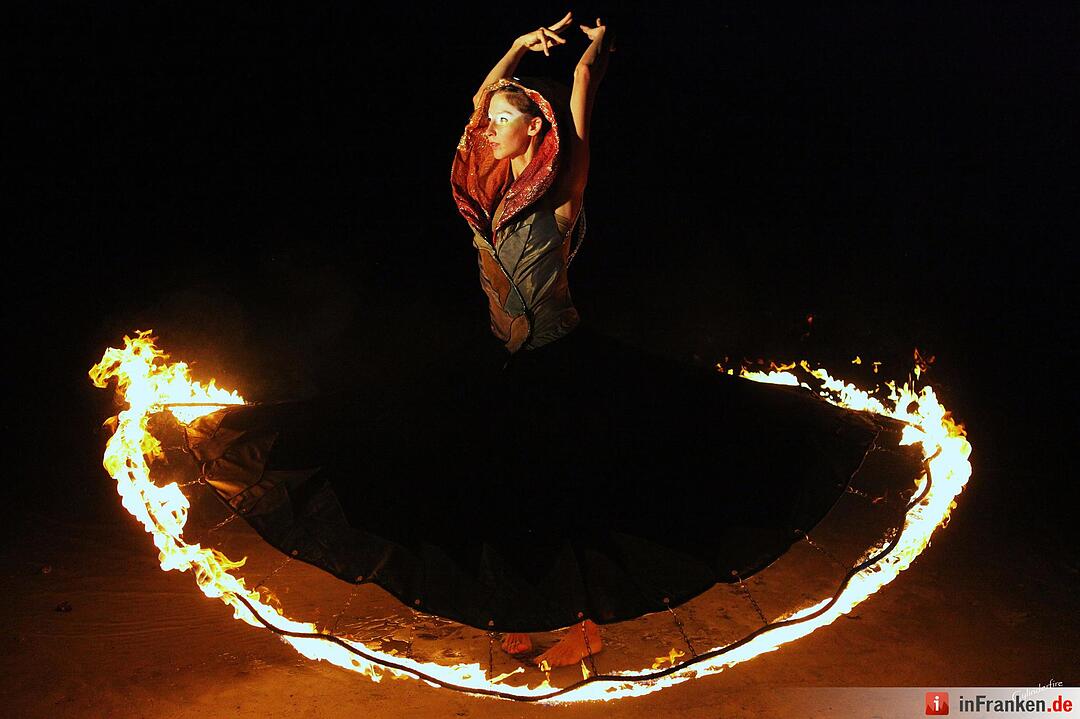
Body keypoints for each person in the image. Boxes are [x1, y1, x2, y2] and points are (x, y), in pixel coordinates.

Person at [449, 10, 616, 669]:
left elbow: (579, 113)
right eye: (490, 124)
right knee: (504, 489)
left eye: (504, 121)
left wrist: (587, 62)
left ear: (535, 126)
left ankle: (587, 626)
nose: (490, 130)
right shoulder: (489, 197)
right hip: (507, 361)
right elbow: (476, 103)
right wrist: (515, 46)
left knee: (562, 490)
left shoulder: (560, 196)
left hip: (558, 361)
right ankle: (516, 614)